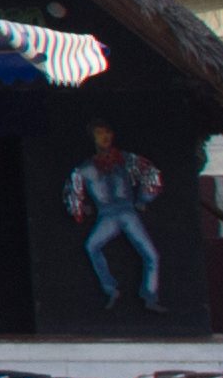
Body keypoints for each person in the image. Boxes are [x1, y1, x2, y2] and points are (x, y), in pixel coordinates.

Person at [66, 125, 165, 314]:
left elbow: (152, 173)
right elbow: (72, 192)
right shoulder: (85, 168)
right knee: (91, 246)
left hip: (127, 212)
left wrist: (145, 198)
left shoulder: (126, 159)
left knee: (152, 255)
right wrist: (80, 208)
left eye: (107, 133)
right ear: (93, 138)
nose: (104, 137)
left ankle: (150, 296)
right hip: (107, 215)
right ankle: (111, 289)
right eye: (99, 134)